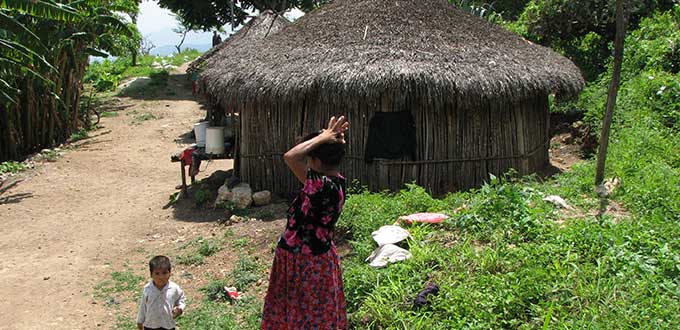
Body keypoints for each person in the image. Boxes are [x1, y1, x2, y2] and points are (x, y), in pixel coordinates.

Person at [261, 116, 350, 330]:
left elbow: (290, 156)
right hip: (318, 258)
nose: (307, 163)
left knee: (301, 314)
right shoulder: (333, 183)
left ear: (317, 162)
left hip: (303, 261)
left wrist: (324, 137)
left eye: (310, 159)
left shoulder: (320, 186)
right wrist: (326, 138)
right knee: (314, 314)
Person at [137, 255, 186, 330]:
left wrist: (180, 309)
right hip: (150, 325)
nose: (161, 277)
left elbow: (181, 299)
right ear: (151, 274)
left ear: (169, 273)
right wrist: (140, 321)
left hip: (168, 325)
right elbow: (143, 307)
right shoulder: (148, 289)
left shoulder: (174, 288)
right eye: (157, 273)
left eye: (164, 273)